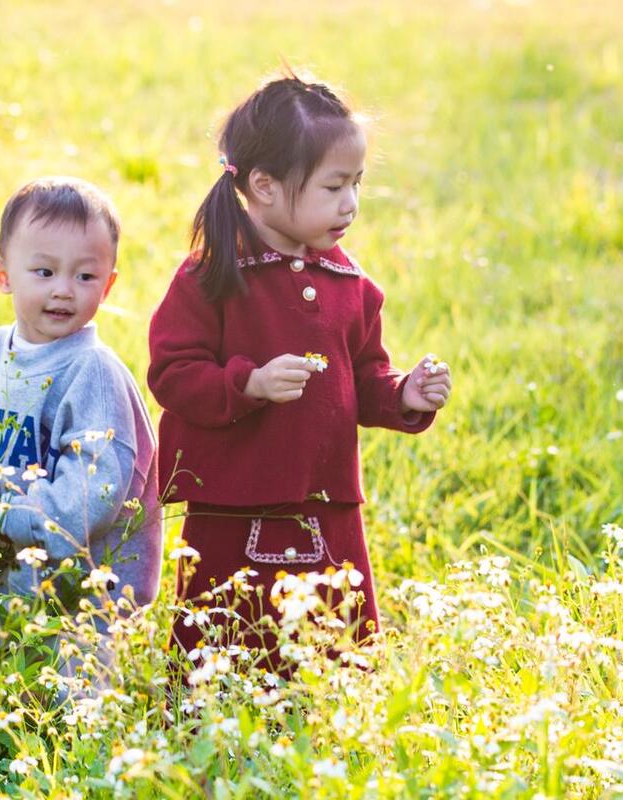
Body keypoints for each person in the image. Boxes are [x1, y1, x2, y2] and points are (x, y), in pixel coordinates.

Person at [147, 72, 452, 665]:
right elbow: (172, 373)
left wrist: (406, 394)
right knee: (223, 641)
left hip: (328, 503)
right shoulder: (212, 276)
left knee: (332, 643)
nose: (351, 204)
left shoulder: (350, 285)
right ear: (263, 184)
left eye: (357, 184)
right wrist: (249, 383)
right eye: (334, 186)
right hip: (234, 504)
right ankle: (207, 731)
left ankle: (329, 734)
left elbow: (365, 379)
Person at [0, 176, 162, 636]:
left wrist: (16, 516)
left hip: (90, 601)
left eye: (84, 276)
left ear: (107, 287)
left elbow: (97, 491)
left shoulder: (94, 374)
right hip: (6, 579)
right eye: (45, 272)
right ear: (4, 276)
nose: (64, 290)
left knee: (75, 702)